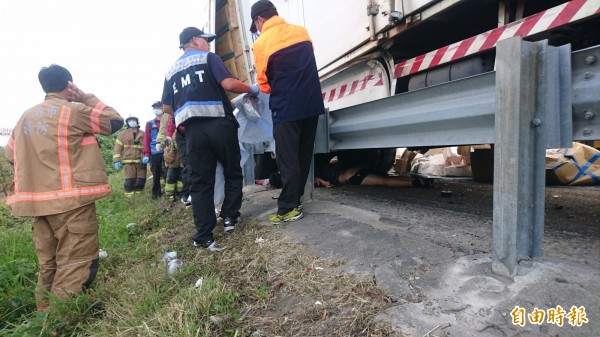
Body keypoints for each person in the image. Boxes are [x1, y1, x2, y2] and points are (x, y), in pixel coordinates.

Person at [4, 64, 123, 310]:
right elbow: (114, 122)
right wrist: (86, 96)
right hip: (71, 201)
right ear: (69, 85)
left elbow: (10, 154)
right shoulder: (73, 110)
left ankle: (42, 315)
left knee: (49, 265)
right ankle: (57, 323)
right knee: (75, 262)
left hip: (37, 205)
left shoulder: (24, 117)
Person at [161, 27, 258, 250]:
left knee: (200, 182)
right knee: (232, 170)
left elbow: (167, 106)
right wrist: (250, 88)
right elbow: (229, 85)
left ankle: (204, 235)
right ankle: (229, 218)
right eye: (206, 40)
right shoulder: (208, 58)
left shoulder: (171, 71)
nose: (209, 44)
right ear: (195, 40)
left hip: (193, 133)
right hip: (219, 125)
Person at [249, 0, 325, 225]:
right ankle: (296, 199)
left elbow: (264, 85)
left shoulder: (261, 44)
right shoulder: (301, 32)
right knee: (302, 155)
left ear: (260, 20)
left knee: (287, 159)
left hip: (287, 107)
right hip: (311, 103)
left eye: (257, 26)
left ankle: (288, 208)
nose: (258, 30)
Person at [113, 116, 146, 197]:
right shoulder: (122, 134)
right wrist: (116, 160)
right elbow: (117, 148)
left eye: (133, 120)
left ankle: (139, 196)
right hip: (128, 162)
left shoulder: (143, 133)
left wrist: (147, 157)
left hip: (141, 161)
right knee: (129, 179)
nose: (131, 122)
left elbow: (147, 147)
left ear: (137, 122)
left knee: (141, 179)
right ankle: (129, 197)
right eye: (130, 121)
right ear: (127, 123)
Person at [143, 101, 166, 199]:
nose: (156, 109)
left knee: (169, 171)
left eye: (158, 107)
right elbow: (146, 139)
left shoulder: (168, 120)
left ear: (162, 107)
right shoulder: (149, 124)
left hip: (167, 150)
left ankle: (170, 191)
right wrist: (147, 154)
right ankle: (156, 194)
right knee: (156, 173)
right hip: (155, 152)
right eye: (154, 107)